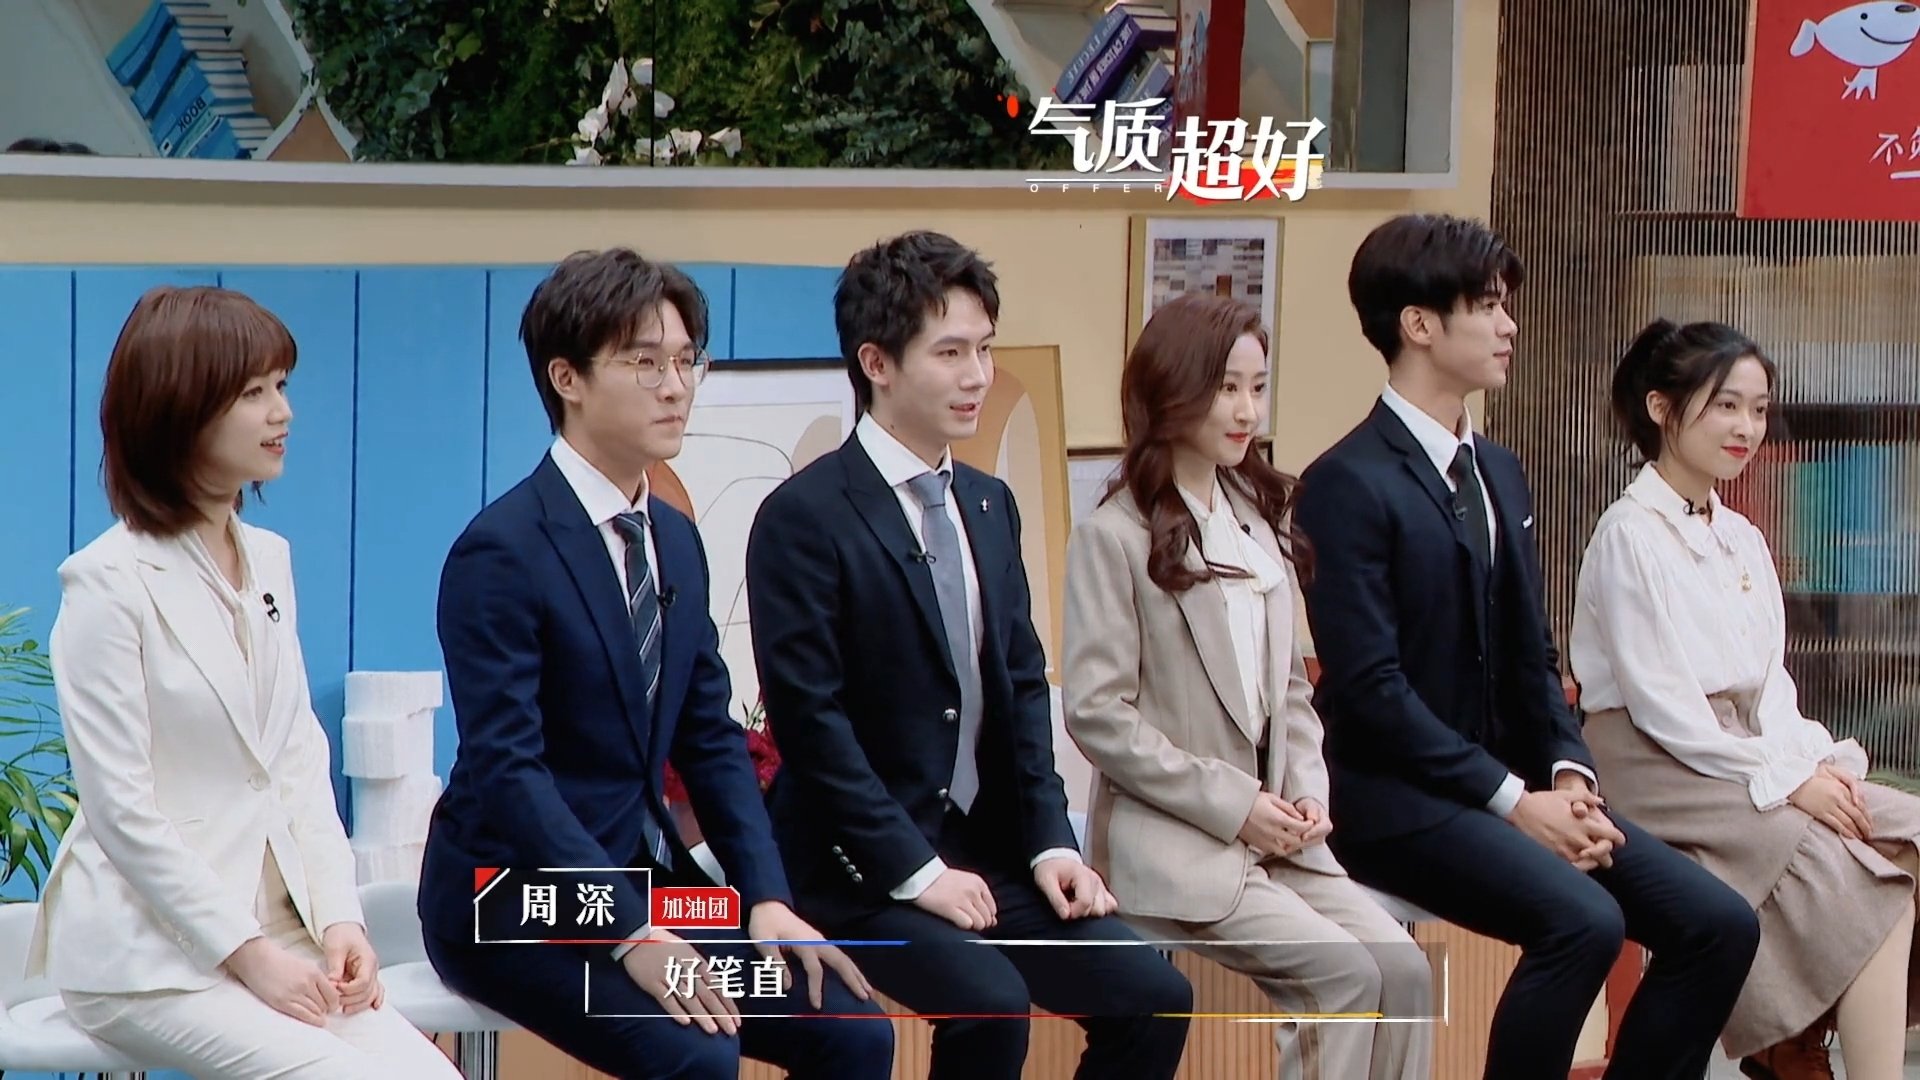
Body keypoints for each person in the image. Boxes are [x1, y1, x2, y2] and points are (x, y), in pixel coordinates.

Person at [1293, 213, 1761, 1080]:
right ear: (1419, 324)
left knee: (1718, 925)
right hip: (1392, 797)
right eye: (1487, 306)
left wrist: (1568, 775)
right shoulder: (1344, 483)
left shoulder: (1500, 471)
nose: (1509, 326)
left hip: (1511, 787)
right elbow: (1370, 692)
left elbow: (1532, 657)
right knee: (1583, 921)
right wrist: (1515, 802)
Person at [417, 248, 893, 1080]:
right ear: (566, 378)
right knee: (696, 1052)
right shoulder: (502, 551)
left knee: (852, 1027)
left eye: (685, 360)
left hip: (649, 885)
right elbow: (508, 772)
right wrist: (629, 930)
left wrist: (766, 898)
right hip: (515, 898)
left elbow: (709, 737)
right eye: (645, 363)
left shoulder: (673, 539)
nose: (676, 386)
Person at [746, 230, 1193, 1080]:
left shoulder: (989, 504)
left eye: (984, 349)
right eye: (950, 353)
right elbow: (812, 726)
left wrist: (1052, 845)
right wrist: (916, 872)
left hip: (986, 850)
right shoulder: (804, 518)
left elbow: (1022, 692)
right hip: (854, 863)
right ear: (877, 363)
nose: (978, 376)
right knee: (991, 1006)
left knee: (1153, 996)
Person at [27, 286, 461, 1078]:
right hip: (146, 956)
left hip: (282, 931)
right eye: (253, 393)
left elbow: (295, 757)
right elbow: (122, 811)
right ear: (180, 411)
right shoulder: (106, 584)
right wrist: (249, 954)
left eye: (281, 386)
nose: (282, 413)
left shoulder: (269, 559)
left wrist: (340, 919)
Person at [1062, 293, 1433, 1080]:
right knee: (1344, 975)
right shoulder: (1113, 536)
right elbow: (1097, 716)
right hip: (1179, 846)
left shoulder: (1256, 520)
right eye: (1226, 388)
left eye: (1257, 388)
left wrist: (1307, 794)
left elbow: (1292, 690)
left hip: (1279, 839)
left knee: (1404, 972)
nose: (1246, 411)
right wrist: (1238, 806)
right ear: (1173, 389)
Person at [1571, 317, 1920, 1080]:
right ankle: (1801, 1044)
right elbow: (1665, 709)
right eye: (1725, 405)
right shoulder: (1630, 534)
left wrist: (1812, 764)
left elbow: (1771, 689)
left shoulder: (1742, 537)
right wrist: (1789, 783)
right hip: (1655, 763)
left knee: (1909, 838)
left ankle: (1793, 1035)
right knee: (1875, 893)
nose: (1747, 428)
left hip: (1743, 750)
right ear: (1663, 408)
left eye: (1759, 410)